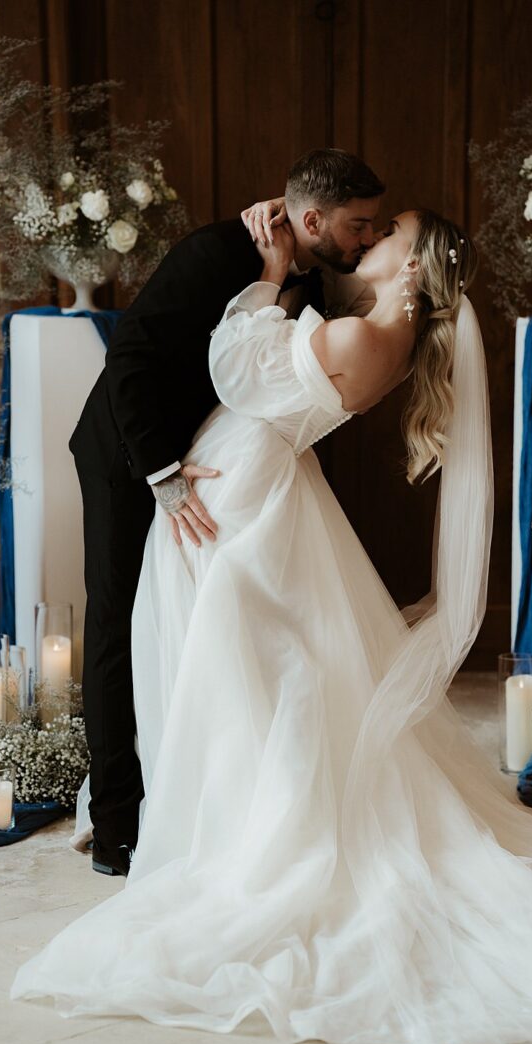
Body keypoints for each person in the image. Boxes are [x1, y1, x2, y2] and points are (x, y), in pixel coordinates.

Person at [15, 203, 532, 1044]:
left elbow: (237, 367)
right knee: (268, 677)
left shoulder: (361, 336)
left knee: (255, 676)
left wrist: (271, 278)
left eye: (387, 235)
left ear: (412, 268)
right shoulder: (381, 334)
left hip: (250, 502)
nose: (371, 240)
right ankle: (216, 811)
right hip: (257, 494)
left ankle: (242, 828)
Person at [68, 149, 385, 876]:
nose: (367, 238)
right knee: (115, 624)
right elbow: (130, 358)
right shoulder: (215, 252)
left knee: (182, 622)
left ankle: (189, 798)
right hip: (129, 452)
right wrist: (161, 474)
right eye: (358, 225)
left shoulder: (311, 271)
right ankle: (115, 825)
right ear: (313, 220)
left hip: (211, 462)